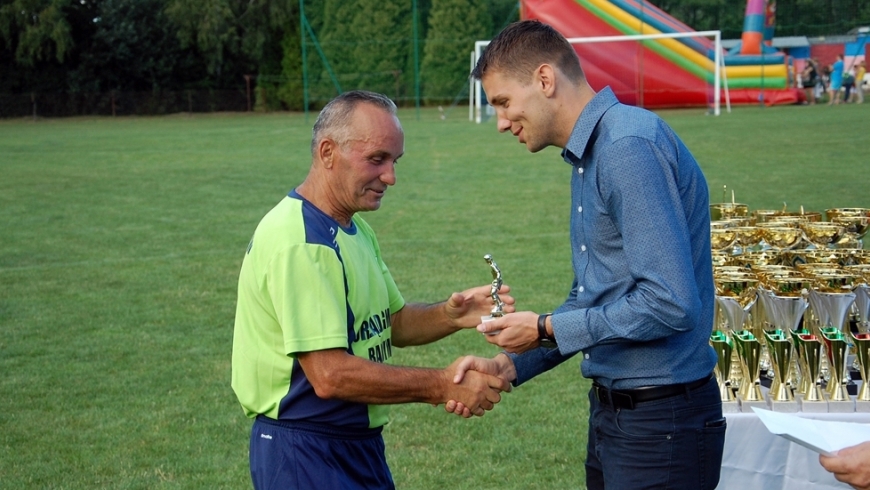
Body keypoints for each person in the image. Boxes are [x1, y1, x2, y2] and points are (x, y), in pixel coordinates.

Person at [447, 20, 724, 489]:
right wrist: (513, 365)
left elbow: (670, 302)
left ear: (544, 80)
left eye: (502, 102)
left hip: (662, 425)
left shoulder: (625, 147)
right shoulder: (594, 152)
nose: (499, 122)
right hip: (622, 419)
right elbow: (598, 298)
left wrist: (545, 327)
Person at [231, 90, 513, 489]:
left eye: (394, 161)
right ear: (328, 152)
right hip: (304, 451)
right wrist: (440, 384)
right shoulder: (300, 242)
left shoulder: (353, 228)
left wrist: (450, 316)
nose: (390, 177)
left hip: (352, 446)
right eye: (377, 159)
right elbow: (329, 375)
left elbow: (391, 322)